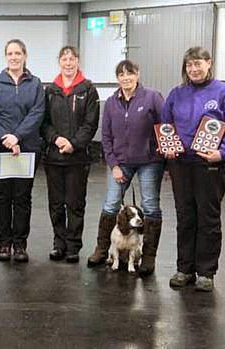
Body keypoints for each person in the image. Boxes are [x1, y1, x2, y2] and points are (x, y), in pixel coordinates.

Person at [162, 47, 225, 292]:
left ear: (209, 64)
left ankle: (206, 272)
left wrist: (222, 153)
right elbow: (166, 126)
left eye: (198, 64)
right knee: (185, 216)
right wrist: (167, 147)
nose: (193, 69)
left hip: (210, 166)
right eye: (189, 65)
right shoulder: (176, 94)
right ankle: (184, 269)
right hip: (180, 165)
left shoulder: (222, 92)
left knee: (208, 218)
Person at [86, 60, 165, 275]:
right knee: (111, 204)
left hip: (150, 162)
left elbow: (165, 127)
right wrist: (113, 164)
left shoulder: (152, 97)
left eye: (130, 73)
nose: (126, 78)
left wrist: (161, 154)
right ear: (117, 78)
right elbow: (106, 135)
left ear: (137, 74)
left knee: (150, 206)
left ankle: (147, 257)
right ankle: (103, 249)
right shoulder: (111, 102)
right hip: (121, 163)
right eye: (121, 74)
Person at [0, 39, 45, 263]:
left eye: (18, 53)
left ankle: (20, 244)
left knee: (22, 197)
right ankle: (4, 244)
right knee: (2, 197)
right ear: (5, 57)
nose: (14, 57)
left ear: (25, 56)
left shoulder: (36, 84)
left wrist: (17, 136)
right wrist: (6, 138)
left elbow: (37, 113)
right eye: (9, 53)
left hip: (27, 148)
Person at [41, 45, 99, 263]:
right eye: (64, 59)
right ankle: (59, 243)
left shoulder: (88, 89)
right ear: (59, 62)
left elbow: (90, 123)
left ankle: (73, 245)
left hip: (77, 158)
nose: (68, 63)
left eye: (71, 59)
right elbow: (44, 122)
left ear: (78, 61)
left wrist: (73, 144)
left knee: (75, 203)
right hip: (53, 158)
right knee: (55, 203)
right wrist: (56, 139)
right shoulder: (50, 90)